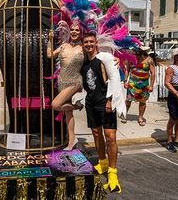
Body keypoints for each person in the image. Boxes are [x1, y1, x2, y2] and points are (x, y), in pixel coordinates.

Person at [80, 32, 121, 193]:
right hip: (91, 103)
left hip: (105, 103)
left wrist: (110, 100)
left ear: (96, 43)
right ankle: (103, 163)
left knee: (110, 137)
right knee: (97, 134)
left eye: (91, 41)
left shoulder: (104, 58)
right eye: (86, 42)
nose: (88, 44)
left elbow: (114, 79)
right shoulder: (84, 63)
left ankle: (112, 173)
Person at [47, 20, 84, 150]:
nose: (74, 32)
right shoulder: (63, 46)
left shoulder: (84, 48)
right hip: (62, 81)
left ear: (81, 33)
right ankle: (71, 141)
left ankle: (77, 105)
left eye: (77, 30)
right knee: (68, 114)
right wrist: (50, 40)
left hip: (75, 81)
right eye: (72, 29)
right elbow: (49, 55)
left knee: (56, 105)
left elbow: (96, 58)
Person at [123, 46, 155, 126]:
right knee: (128, 101)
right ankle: (124, 115)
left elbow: (153, 73)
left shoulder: (149, 60)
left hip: (144, 85)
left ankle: (140, 117)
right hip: (132, 84)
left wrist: (151, 85)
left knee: (142, 102)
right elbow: (127, 70)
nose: (136, 55)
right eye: (135, 53)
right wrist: (125, 81)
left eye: (138, 53)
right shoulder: (131, 59)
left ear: (142, 52)